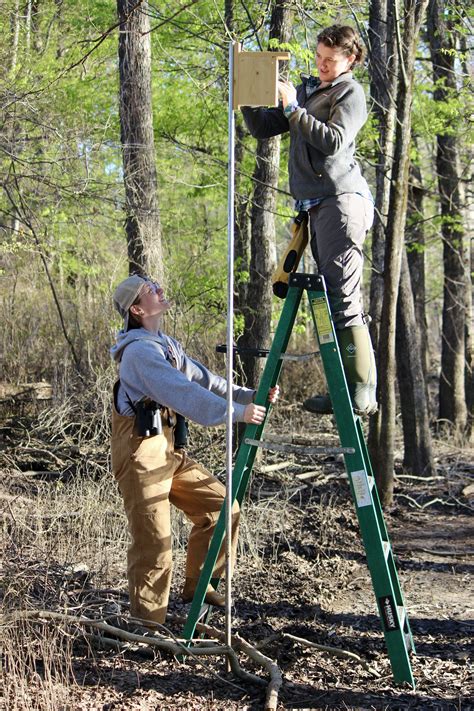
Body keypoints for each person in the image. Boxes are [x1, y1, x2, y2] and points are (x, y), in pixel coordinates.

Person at [110, 274, 279, 625]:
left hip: (167, 452)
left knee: (223, 508)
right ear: (138, 309)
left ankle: (200, 585)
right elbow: (183, 394)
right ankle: (147, 628)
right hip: (140, 456)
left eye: (157, 284)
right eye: (150, 290)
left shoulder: (164, 344)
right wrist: (236, 414)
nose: (159, 289)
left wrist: (248, 397)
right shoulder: (140, 353)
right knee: (154, 545)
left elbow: (206, 381)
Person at [241, 24, 376, 416]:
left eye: (330, 60)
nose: (321, 65)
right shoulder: (311, 91)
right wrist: (251, 94)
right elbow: (262, 127)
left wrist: (293, 109)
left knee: (344, 299)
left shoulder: (349, 92)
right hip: (318, 206)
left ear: (350, 59)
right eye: (318, 58)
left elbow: (333, 141)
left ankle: (361, 391)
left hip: (341, 201)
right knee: (331, 300)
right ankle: (345, 389)